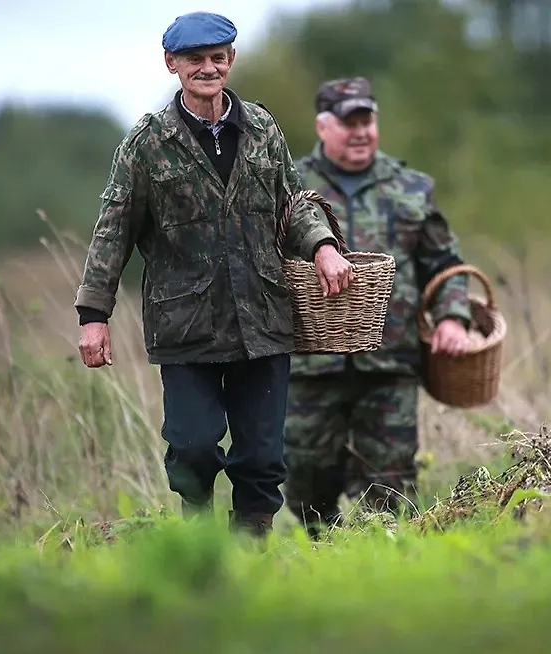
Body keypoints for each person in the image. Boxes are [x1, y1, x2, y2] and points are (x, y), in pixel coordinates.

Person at [73, 12, 355, 539]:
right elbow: (114, 229)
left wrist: (323, 246)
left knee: (262, 456)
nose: (208, 68)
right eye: (195, 59)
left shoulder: (262, 127)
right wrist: (94, 316)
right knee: (194, 446)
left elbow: (292, 203)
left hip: (263, 318)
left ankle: (250, 553)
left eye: (217, 57)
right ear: (171, 64)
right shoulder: (147, 143)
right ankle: (199, 541)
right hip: (186, 326)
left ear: (231, 60)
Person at [283, 76, 472, 539]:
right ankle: (324, 546)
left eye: (367, 120)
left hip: (391, 360)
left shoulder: (411, 188)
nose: (361, 131)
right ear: (322, 127)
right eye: (350, 123)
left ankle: (386, 554)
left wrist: (453, 317)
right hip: (309, 363)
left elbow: (446, 265)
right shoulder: (288, 186)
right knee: (304, 475)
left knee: (392, 487)